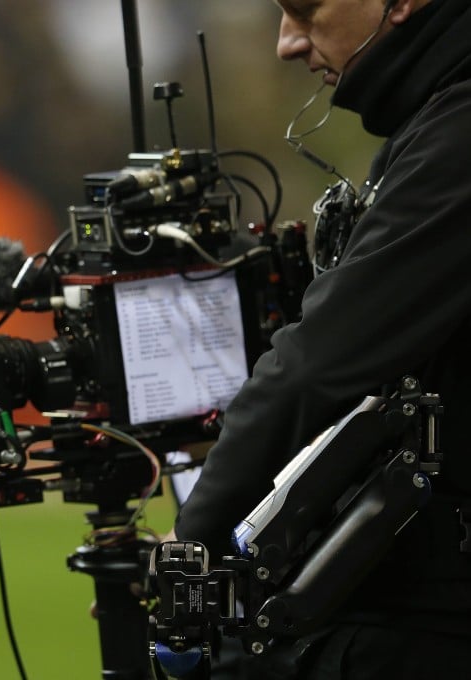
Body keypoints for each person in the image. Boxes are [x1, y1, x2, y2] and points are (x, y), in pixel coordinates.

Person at [172, 0, 471, 677]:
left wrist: (189, 549)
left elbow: (318, 366)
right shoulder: (433, 119)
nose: (287, 43)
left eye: (306, 10)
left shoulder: (458, 129)